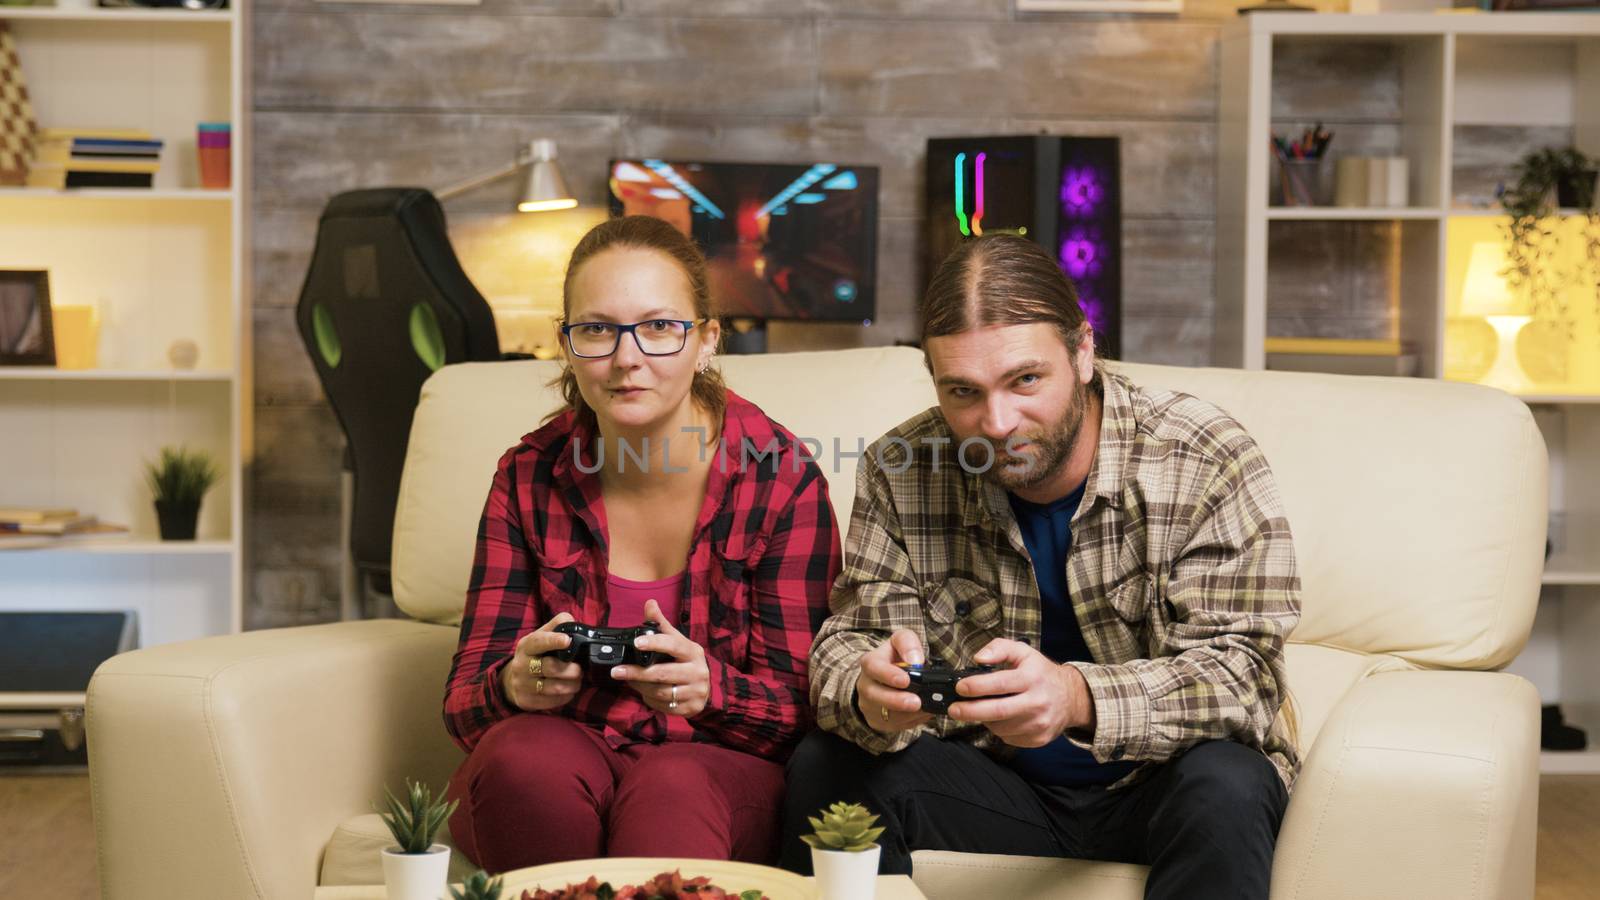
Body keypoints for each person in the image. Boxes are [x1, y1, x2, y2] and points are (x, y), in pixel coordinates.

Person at [781, 234, 1301, 900]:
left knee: (1228, 780)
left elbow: (1246, 676)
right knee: (826, 766)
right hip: (997, 783)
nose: (996, 422)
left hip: (1161, 786)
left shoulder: (1202, 455)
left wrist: (1075, 698)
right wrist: (869, 693)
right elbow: (849, 648)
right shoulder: (902, 468)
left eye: (1025, 380)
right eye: (963, 391)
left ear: (1083, 351)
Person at [444, 215, 841, 872]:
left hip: (717, 769)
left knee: (670, 789)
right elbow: (462, 708)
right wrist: (515, 683)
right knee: (521, 762)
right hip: (572, 753)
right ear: (567, 344)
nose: (627, 358)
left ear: (706, 339)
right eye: (598, 329)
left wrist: (712, 689)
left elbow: (811, 713)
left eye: (659, 327)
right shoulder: (528, 475)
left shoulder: (780, 477)